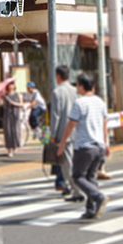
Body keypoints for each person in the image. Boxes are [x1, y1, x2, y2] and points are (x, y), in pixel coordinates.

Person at [57, 72, 110, 220]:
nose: (76, 88)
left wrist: (62, 142)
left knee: (78, 176)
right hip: (99, 146)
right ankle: (91, 209)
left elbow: (71, 124)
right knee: (91, 177)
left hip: (84, 146)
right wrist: (106, 143)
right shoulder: (100, 102)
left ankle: (98, 196)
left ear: (81, 86)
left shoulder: (79, 103)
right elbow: (105, 124)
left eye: (77, 85)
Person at [50, 66, 81, 200]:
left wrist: (53, 134)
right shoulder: (75, 91)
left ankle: (77, 190)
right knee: (69, 160)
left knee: (67, 162)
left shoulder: (57, 92)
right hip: (76, 130)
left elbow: (55, 115)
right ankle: (67, 185)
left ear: (58, 76)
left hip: (63, 132)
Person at [2, 80, 26, 158]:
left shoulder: (17, 94)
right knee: (8, 131)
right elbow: (3, 104)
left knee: (15, 131)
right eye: (10, 85)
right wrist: (1, 102)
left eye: (12, 85)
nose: (11, 86)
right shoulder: (5, 95)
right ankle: (9, 149)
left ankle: (15, 146)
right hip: (7, 114)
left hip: (15, 114)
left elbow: (21, 104)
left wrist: (14, 103)